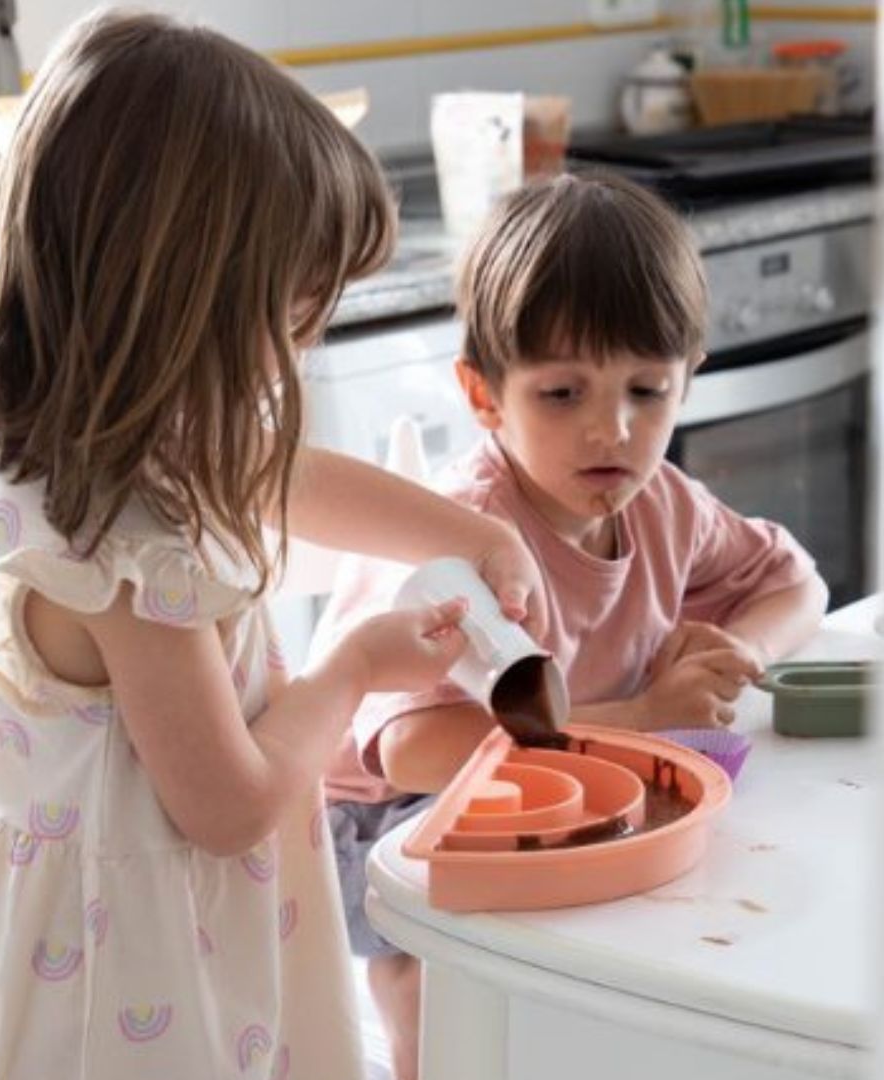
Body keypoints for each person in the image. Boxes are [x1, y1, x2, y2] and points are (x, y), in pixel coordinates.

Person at [0, 11, 543, 1080]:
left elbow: (277, 472)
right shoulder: (122, 552)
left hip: (136, 939)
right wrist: (353, 668)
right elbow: (232, 805)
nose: (300, 351)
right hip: (138, 985)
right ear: (178, 303)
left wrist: (470, 529)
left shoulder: (88, 448)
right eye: (291, 314)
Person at [319, 171, 829, 1080]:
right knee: (465, 1008)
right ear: (483, 397)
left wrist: (738, 649)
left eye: (648, 390)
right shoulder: (472, 531)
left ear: (688, 381)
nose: (614, 430)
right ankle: (410, 1012)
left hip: (552, 769)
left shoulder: (665, 503)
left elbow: (796, 585)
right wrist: (639, 717)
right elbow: (411, 747)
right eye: (563, 395)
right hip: (379, 829)